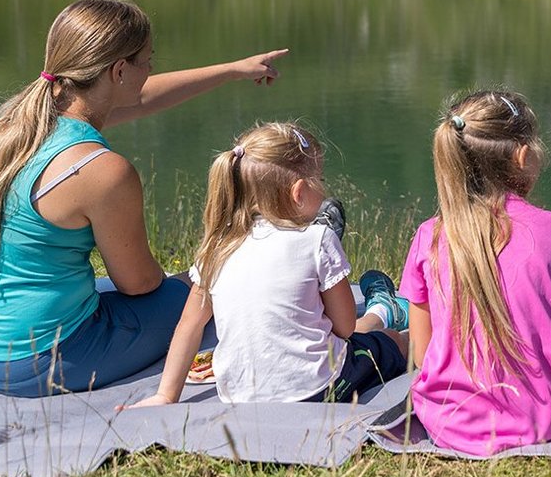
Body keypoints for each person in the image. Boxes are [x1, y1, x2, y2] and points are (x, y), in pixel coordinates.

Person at [0, 0, 286, 397]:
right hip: (35, 362)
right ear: (118, 71)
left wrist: (233, 70)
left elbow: (146, 96)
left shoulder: (8, 124)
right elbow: (139, 284)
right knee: (195, 293)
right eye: (148, 61)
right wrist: (195, 279)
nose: (151, 71)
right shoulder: (101, 171)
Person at [125, 122, 410, 407]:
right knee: (392, 341)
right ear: (298, 193)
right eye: (320, 180)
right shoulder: (317, 238)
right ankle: (386, 314)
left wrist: (165, 395)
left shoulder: (217, 247)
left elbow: (189, 325)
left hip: (238, 395)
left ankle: (383, 310)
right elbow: (345, 328)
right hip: (319, 387)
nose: (325, 190)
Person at [398, 90, 551, 456]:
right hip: (543, 420)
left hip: (448, 422)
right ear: (522, 155)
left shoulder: (428, 236)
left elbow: (420, 354)